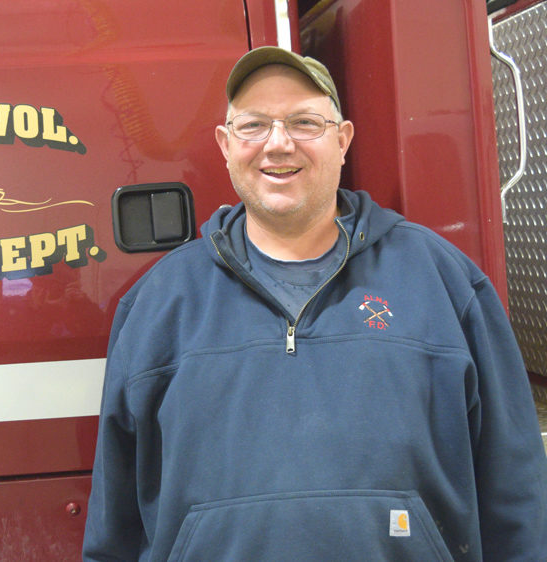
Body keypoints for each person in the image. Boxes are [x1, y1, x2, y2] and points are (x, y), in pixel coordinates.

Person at [82, 46, 547, 561]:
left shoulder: (445, 284)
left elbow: (516, 494)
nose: (278, 145)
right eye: (253, 125)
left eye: (305, 122)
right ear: (225, 144)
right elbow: (115, 525)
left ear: (343, 139)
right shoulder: (157, 305)